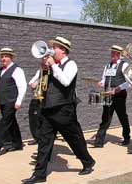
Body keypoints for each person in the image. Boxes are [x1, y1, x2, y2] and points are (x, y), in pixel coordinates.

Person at [22, 36, 95, 184]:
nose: (52, 50)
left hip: (64, 110)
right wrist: (41, 73)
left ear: (63, 50)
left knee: (73, 139)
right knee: (44, 142)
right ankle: (39, 174)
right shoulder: (47, 65)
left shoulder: (71, 64)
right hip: (47, 109)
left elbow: (66, 81)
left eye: (55, 47)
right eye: (52, 47)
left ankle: (87, 161)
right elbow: (33, 82)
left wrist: (53, 66)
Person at [0, 47, 27, 157]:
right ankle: (17, 144)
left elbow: (22, 86)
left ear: (11, 57)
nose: (3, 58)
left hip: (11, 101)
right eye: (2, 56)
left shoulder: (17, 70)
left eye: (6, 56)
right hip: (2, 101)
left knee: (2, 124)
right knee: (11, 122)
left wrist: (19, 101)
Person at [93, 45, 131, 148]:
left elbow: (130, 82)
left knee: (122, 117)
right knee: (105, 118)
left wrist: (120, 87)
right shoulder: (107, 65)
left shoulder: (124, 65)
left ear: (119, 54)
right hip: (107, 94)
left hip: (119, 95)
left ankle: (126, 137)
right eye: (112, 53)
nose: (112, 55)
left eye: (115, 53)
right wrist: (101, 82)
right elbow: (104, 79)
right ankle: (98, 141)